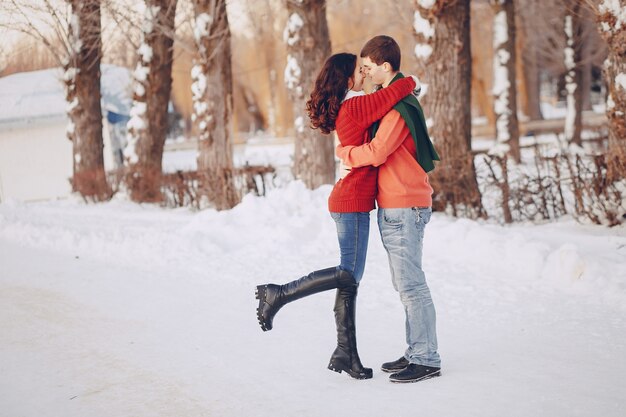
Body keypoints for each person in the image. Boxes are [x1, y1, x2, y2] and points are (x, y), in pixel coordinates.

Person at [255, 52, 417, 380]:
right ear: (346, 79)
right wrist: (411, 83)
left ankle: (346, 353)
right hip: (351, 201)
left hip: (350, 200)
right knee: (347, 275)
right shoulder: (354, 104)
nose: (363, 75)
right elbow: (388, 95)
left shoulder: (353, 104)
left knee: (349, 282)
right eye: (359, 71)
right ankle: (279, 293)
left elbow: (381, 102)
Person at [336, 35, 442, 384]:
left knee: (411, 285)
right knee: (405, 282)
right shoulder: (394, 100)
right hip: (399, 202)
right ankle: (416, 351)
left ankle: (426, 357)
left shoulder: (398, 107)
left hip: (404, 203)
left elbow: (379, 152)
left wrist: (346, 154)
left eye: (368, 67)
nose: (364, 74)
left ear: (386, 67)